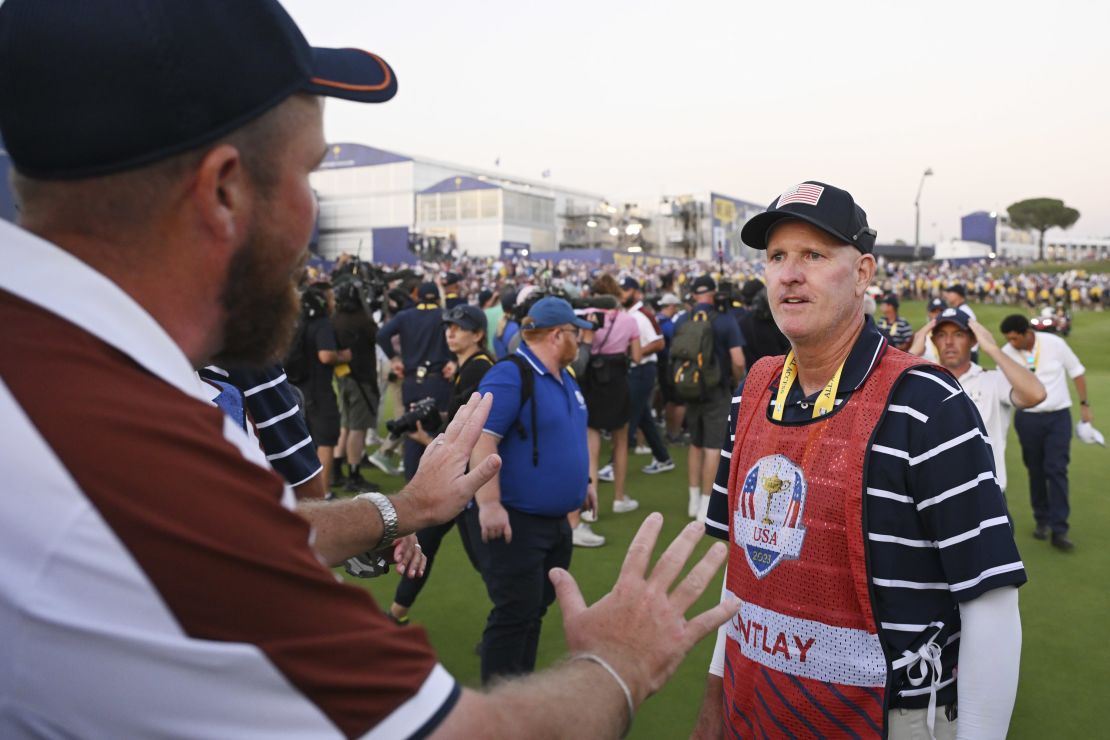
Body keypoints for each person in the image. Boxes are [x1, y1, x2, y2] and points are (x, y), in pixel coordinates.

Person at [0, 2, 737, 736]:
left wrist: (400, 509)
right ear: (224, 190)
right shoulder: (111, 459)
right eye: (310, 172)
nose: (312, 212)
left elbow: (253, 530)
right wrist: (620, 662)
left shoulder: (81, 377)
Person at [695, 181, 1025, 739]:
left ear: (864, 273)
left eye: (814, 255)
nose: (789, 273)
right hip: (753, 704)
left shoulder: (929, 402)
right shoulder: (752, 390)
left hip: (888, 719)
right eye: (777, 257)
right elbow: (744, 571)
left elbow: (989, 600)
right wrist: (713, 701)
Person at [469, 297, 596, 682]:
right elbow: (481, 439)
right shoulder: (511, 375)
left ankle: (518, 691)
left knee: (533, 610)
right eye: (576, 333)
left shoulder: (565, 376)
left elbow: (569, 435)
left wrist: (584, 483)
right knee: (514, 614)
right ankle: (500, 712)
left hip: (555, 523)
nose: (581, 340)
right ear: (558, 335)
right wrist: (489, 503)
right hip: (518, 522)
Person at [389, 304, 492, 624]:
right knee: (428, 542)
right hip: (462, 475)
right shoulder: (469, 365)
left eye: (459, 328)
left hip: (468, 476)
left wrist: (427, 440)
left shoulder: (478, 367)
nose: (450, 332)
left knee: (483, 558)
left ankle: (512, 615)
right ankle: (396, 614)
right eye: (448, 326)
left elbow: (476, 427)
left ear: (478, 334)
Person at [1000, 313, 1092, 551]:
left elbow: (1077, 372)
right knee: (1036, 470)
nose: (1011, 343)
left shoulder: (1054, 343)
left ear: (1026, 333)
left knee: (1057, 468)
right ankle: (1042, 520)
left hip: (1057, 416)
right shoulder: (1007, 353)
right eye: (1008, 339)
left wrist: (1084, 405)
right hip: (1027, 419)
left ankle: (1059, 529)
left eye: (1014, 338)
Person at [930, 308, 1046, 494]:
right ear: (934, 341)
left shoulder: (992, 380)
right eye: (942, 335)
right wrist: (912, 351)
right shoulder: (925, 382)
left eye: (958, 334)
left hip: (988, 494)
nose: (949, 342)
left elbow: (1036, 394)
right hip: (937, 495)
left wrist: (992, 348)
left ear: (973, 340)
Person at [672, 275, 744, 521]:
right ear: (713, 294)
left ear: (693, 295)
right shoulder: (725, 320)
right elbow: (738, 360)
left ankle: (694, 501)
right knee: (713, 447)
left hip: (690, 388)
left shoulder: (683, 319)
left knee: (695, 443)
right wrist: (737, 382)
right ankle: (705, 504)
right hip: (716, 389)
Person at [376, 281, 455, 482]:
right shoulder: (444, 314)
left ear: (417, 296)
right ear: (437, 297)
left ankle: (412, 485)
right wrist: (453, 361)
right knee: (438, 432)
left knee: (412, 432)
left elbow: (382, 335)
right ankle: (438, 482)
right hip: (438, 381)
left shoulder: (405, 316)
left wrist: (394, 359)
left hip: (412, 382)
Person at [582, 274, 642, 534]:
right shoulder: (628, 319)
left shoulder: (586, 315)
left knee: (591, 444)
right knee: (620, 441)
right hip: (617, 380)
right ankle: (619, 498)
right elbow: (637, 357)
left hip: (591, 380)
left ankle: (590, 506)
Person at [292, 281, 351, 491]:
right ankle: (321, 493)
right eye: (331, 298)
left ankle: (304, 493)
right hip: (319, 392)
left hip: (297, 390)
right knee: (325, 441)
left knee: (304, 442)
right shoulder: (322, 324)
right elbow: (325, 355)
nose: (334, 302)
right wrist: (343, 355)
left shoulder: (297, 323)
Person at [331, 278, 381, 493]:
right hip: (361, 378)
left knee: (346, 425)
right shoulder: (363, 320)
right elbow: (376, 335)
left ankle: (335, 470)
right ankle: (353, 474)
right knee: (357, 429)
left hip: (343, 377)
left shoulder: (334, 319)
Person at [620, 277, 675, 474]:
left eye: (626, 290)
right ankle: (663, 458)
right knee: (643, 417)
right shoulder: (631, 313)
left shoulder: (642, 315)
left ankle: (612, 465)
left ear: (636, 292)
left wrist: (634, 352)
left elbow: (658, 343)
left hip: (642, 369)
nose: (622, 293)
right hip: (638, 368)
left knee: (628, 417)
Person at [908, 297, 946, 362]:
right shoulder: (921, 336)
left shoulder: (955, 336)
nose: (938, 314)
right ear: (928, 313)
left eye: (941, 311)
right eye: (934, 311)